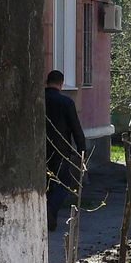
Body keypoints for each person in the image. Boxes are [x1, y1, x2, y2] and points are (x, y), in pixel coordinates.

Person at [45, 70, 86, 232]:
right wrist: (82, 150)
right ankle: (50, 209)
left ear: (46, 82)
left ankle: (46, 214)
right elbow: (76, 128)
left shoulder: (38, 100)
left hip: (39, 150)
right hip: (60, 151)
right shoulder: (66, 102)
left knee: (44, 183)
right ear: (61, 84)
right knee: (63, 182)